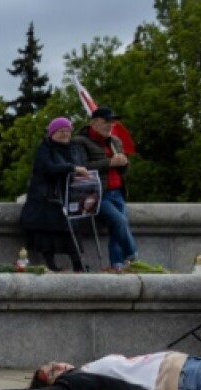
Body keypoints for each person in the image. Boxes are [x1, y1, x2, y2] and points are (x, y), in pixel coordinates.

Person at [0, 351, 201, 390]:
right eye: (52, 373)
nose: (58, 366)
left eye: (53, 364)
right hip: (180, 379)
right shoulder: (76, 383)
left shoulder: (85, 370)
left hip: (184, 364)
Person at [18, 116, 90, 272]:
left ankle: (78, 264)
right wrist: (72, 168)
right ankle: (50, 264)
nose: (65, 134)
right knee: (47, 232)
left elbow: (83, 165)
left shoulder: (74, 148)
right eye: (60, 131)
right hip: (46, 197)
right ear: (52, 133)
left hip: (68, 196)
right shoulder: (45, 148)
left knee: (73, 232)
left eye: (67, 131)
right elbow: (47, 168)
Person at [73, 107, 137, 270]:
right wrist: (109, 163)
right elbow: (81, 167)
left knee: (117, 229)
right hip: (97, 193)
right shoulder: (80, 141)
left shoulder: (115, 141)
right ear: (94, 122)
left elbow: (123, 171)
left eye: (112, 122)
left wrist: (124, 163)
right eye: (106, 121)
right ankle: (133, 256)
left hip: (118, 192)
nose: (110, 125)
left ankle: (117, 265)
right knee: (119, 221)